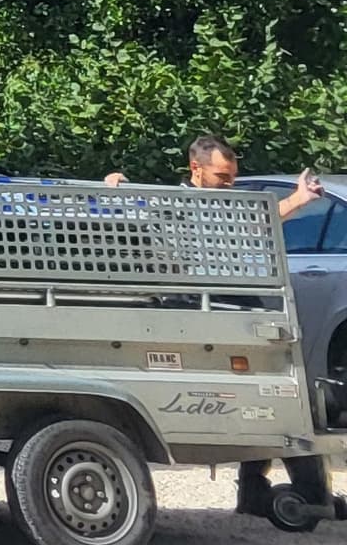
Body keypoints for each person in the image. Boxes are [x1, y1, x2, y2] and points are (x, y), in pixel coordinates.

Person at [111, 137, 330, 521]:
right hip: (194, 309)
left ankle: (274, 493)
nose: (230, 184)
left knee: (275, 396)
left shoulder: (229, 203)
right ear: (196, 170)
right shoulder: (167, 204)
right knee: (276, 396)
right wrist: (116, 188)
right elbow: (126, 211)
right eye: (222, 177)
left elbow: (263, 217)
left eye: (233, 177)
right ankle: (298, 496)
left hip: (236, 304)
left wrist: (299, 199)